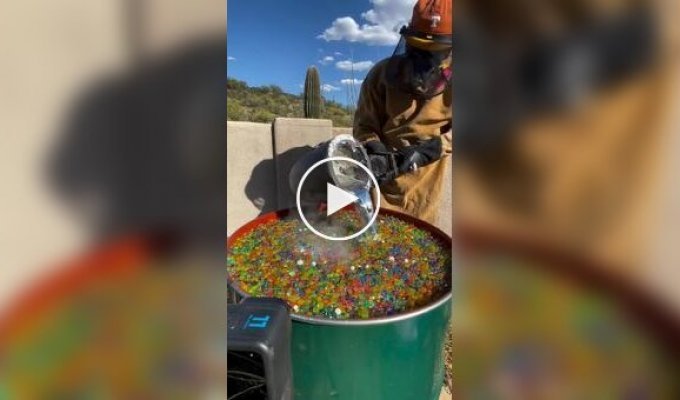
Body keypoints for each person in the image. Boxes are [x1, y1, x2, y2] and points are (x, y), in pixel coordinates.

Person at [354, 0, 452, 225]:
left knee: (420, 243)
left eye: (434, 53)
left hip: (425, 185)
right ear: (408, 42)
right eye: (419, 49)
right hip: (381, 182)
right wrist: (374, 148)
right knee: (377, 241)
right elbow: (364, 125)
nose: (424, 59)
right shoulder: (380, 75)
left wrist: (432, 149)